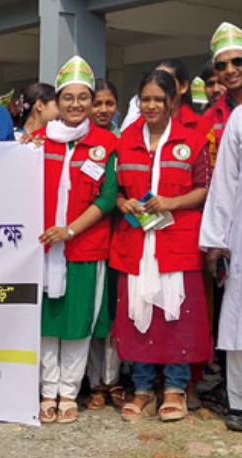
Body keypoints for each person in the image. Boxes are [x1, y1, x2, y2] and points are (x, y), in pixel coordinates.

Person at [112, 69, 212, 423]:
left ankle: (174, 387)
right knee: (138, 310)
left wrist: (173, 202)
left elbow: (205, 189)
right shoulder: (124, 141)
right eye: (146, 99)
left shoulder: (193, 140)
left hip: (177, 241)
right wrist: (124, 203)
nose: (151, 105)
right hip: (136, 242)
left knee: (177, 315)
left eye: (159, 99)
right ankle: (142, 389)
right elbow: (116, 191)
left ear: (173, 102)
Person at [31, 57, 117, 424]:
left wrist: (69, 230)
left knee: (79, 322)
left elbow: (107, 198)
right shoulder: (36, 142)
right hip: (42, 247)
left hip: (85, 247)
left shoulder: (106, 144)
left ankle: (68, 391)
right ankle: (46, 390)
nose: (76, 104)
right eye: (68, 97)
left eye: (83, 98)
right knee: (46, 323)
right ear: (58, 101)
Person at [83, 78, 126, 411]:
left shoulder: (123, 141)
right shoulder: (77, 140)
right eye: (96, 103)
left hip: (121, 236)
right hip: (87, 238)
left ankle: (114, 379)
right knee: (92, 312)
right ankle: (94, 381)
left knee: (113, 310)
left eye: (108, 103)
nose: (102, 109)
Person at [201, 105, 242, 431]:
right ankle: (239, 403)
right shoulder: (240, 118)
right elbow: (225, 181)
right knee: (239, 319)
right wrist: (216, 239)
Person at [198, 21, 242, 164]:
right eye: (221, 65)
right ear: (215, 71)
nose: (230, 70)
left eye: (237, 62)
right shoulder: (210, 118)